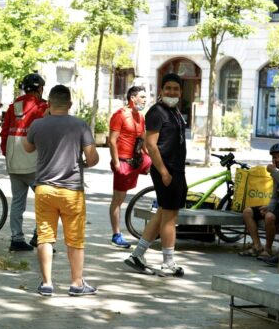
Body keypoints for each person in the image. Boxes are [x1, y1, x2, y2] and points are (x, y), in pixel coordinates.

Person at [23, 85, 99, 297]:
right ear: (70, 104)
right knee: (75, 239)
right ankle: (76, 284)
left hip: (44, 189)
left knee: (45, 237)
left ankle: (47, 283)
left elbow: (27, 148)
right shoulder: (80, 125)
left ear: (49, 104)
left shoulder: (38, 124)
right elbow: (92, 158)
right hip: (72, 191)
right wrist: (82, 163)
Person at [124, 73, 187, 277]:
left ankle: (138, 254)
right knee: (170, 217)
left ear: (181, 92)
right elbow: (150, 144)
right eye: (168, 88)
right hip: (165, 169)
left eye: (176, 89)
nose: (172, 92)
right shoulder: (157, 112)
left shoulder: (175, 111)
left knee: (163, 213)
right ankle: (168, 262)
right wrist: (163, 172)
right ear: (161, 90)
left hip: (176, 169)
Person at [0, 73, 48, 251]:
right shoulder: (43, 107)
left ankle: (16, 238)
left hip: (14, 161)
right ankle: (40, 236)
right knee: (46, 201)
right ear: (40, 89)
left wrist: (7, 154)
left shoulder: (14, 107)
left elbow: (4, 133)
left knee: (18, 202)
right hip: (34, 162)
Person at [238, 142, 279, 264]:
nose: (277, 159)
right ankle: (257, 246)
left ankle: (268, 249)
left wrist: (274, 172)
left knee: (269, 217)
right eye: (274, 157)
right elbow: (275, 195)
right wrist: (269, 207)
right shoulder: (278, 171)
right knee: (248, 212)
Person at [108, 86, 151, 248]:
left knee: (159, 169)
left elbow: (143, 139)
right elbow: (112, 141)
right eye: (142, 97)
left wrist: (151, 156)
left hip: (138, 159)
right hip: (123, 161)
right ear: (132, 98)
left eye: (146, 97)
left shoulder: (140, 116)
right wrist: (117, 163)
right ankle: (116, 235)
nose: (145, 100)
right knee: (118, 199)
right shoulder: (120, 115)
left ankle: (161, 205)